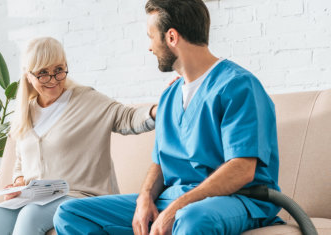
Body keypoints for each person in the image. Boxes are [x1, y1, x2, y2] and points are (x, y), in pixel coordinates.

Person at [53, 0, 282, 234]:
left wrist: (175, 209)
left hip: (235, 199)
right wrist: (144, 199)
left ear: (171, 37)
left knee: (192, 219)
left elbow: (242, 169)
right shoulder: (170, 95)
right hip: (174, 198)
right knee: (70, 213)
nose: (149, 47)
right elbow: (161, 161)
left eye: (151, 37)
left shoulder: (238, 86)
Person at [0, 37, 157, 235]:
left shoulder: (86, 100)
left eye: (59, 70)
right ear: (29, 76)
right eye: (43, 73)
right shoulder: (25, 112)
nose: (53, 80)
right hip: (37, 198)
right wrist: (19, 182)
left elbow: (126, 117)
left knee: (30, 215)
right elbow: (21, 164)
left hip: (80, 196)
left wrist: (158, 110)